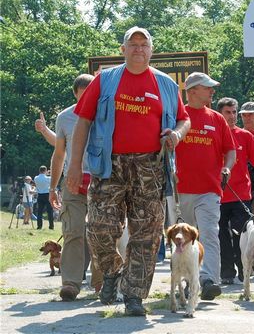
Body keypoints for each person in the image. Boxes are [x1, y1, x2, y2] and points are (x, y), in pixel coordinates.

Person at [66, 26, 190, 316]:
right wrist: (74, 165)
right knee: (98, 227)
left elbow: (184, 120)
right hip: (110, 164)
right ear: (123, 49)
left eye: (143, 44)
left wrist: (177, 135)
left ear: (151, 50)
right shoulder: (105, 80)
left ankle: (134, 295)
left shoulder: (166, 85)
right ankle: (111, 270)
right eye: (132, 44)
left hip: (150, 166)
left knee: (146, 235)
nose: (138, 49)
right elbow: (83, 121)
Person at [35, 74, 103, 301]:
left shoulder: (106, 113)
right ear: (75, 94)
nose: (87, 101)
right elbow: (59, 153)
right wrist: (53, 187)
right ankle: (71, 284)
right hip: (73, 182)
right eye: (82, 96)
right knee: (73, 231)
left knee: (100, 232)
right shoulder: (65, 117)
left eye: (91, 95)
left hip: (101, 180)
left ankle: (101, 282)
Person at [175, 72, 236, 300]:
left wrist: (227, 167)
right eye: (207, 87)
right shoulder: (176, 116)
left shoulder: (217, 119)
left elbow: (229, 150)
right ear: (192, 91)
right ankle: (188, 281)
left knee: (210, 234)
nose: (212, 91)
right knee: (185, 240)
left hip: (209, 189)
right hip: (179, 191)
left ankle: (208, 279)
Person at [217, 97, 254, 285]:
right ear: (219, 113)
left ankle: (244, 271)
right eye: (228, 112)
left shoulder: (245, 136)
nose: (232, 116)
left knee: (240, 236)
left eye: (234, 112)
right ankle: (226, 272)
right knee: (221, 236)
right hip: (217, 194)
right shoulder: (213, 133)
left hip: (241, 195)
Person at [34, 165, 54, 230]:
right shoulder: (48, 178)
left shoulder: (36, 178)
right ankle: (51, 226)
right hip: (47, 194)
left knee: (39, 211)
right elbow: (52, 181)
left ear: (39, 170)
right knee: (50, 211)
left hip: (40, 195)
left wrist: (46, 174)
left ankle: (39, 226)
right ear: (45, 171)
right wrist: (49, 174)